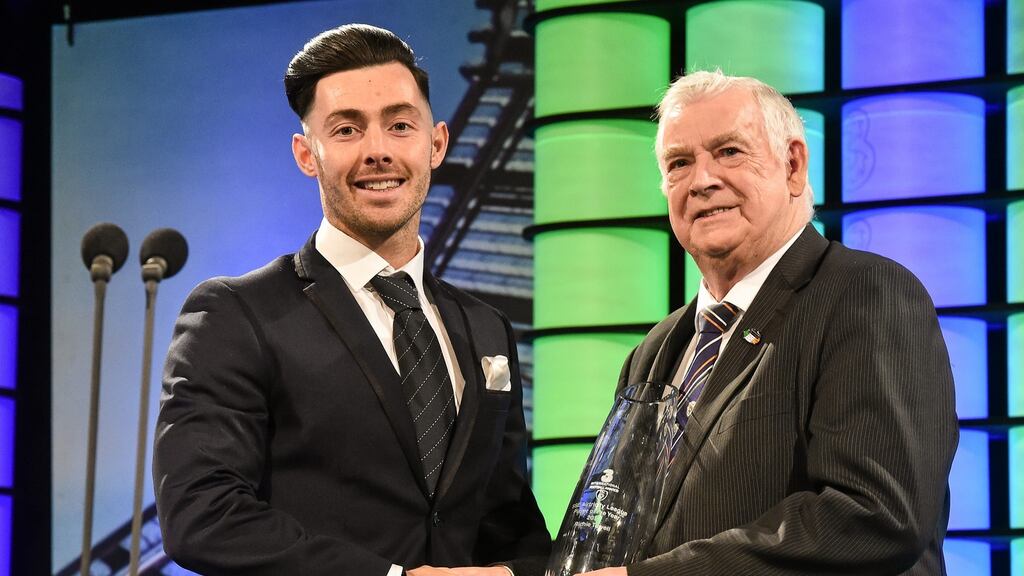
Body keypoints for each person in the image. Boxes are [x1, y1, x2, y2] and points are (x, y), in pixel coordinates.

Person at [153, 23, 550, 576]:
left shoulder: (485, 328)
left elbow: (512, 528)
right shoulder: (235, 315)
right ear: (306, 154)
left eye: (399, 125)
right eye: (346, 130)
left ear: (436, 143)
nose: (378, 151)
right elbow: (202, 513)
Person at [578, 70, 958, 575]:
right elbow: (614, 532)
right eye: (679, 163)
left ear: (793, 165)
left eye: (729, 152)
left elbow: (874, 514)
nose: (702, 180)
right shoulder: (656, 350)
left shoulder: (865, 295)